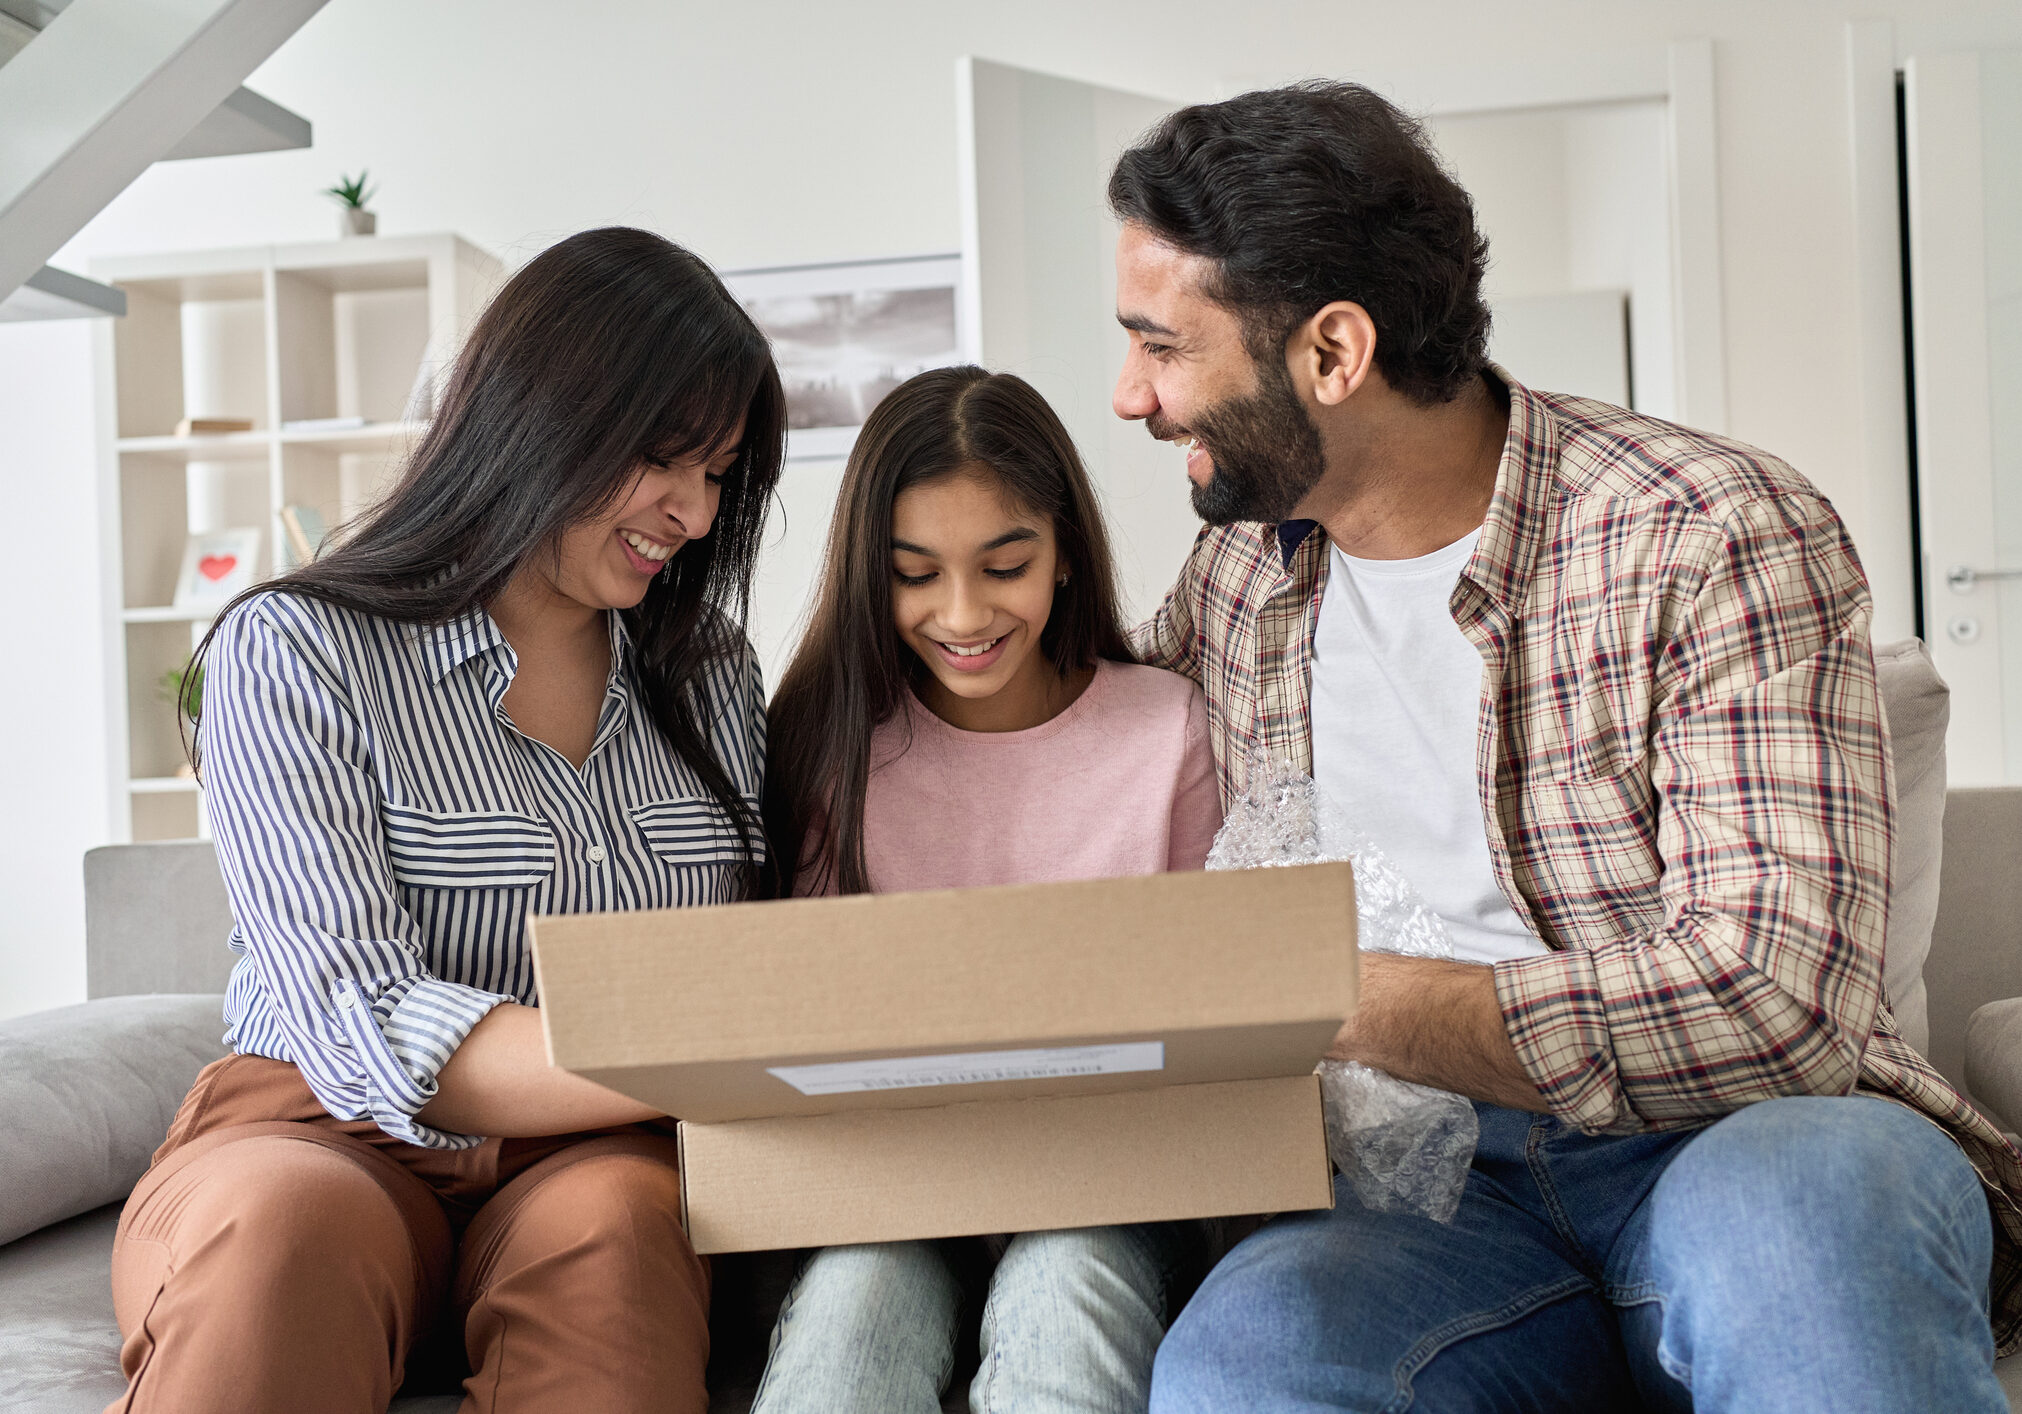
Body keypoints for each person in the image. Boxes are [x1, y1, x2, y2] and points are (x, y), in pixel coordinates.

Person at [1106, 82, 2022, 1412]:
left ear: (1331, 353)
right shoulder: (1239, 580)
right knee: (1247, 1361)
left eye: (1159, 344)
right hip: (1419, 1193)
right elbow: (1063, 759)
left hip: (1738, 1142)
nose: (1130, 394)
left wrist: (1340, 995)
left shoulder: (1707, 531)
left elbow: (1775, 998)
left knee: (1805, 1249)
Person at [105, 227, 785, 1414]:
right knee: (285, 1233)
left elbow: (765, 941)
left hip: (594, 1152)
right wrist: (692, 1048)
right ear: (537, 415)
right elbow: (354, 1011)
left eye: (719, 471)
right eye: (662, 458)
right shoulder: (297, 649)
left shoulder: (713, 668)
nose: (691, 509)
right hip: (321, 1127)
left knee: (622, 1236)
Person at [755, 365, 1222, 1414]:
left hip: (1113, 1181)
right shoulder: (833, 748)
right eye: (913, 574)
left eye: (1003, 564)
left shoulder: (1166, 730)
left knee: (1069, 1282)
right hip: (892, 1188)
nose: (961, 614)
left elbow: (1219, 1010)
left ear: (1062, 555)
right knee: (854, 1306)